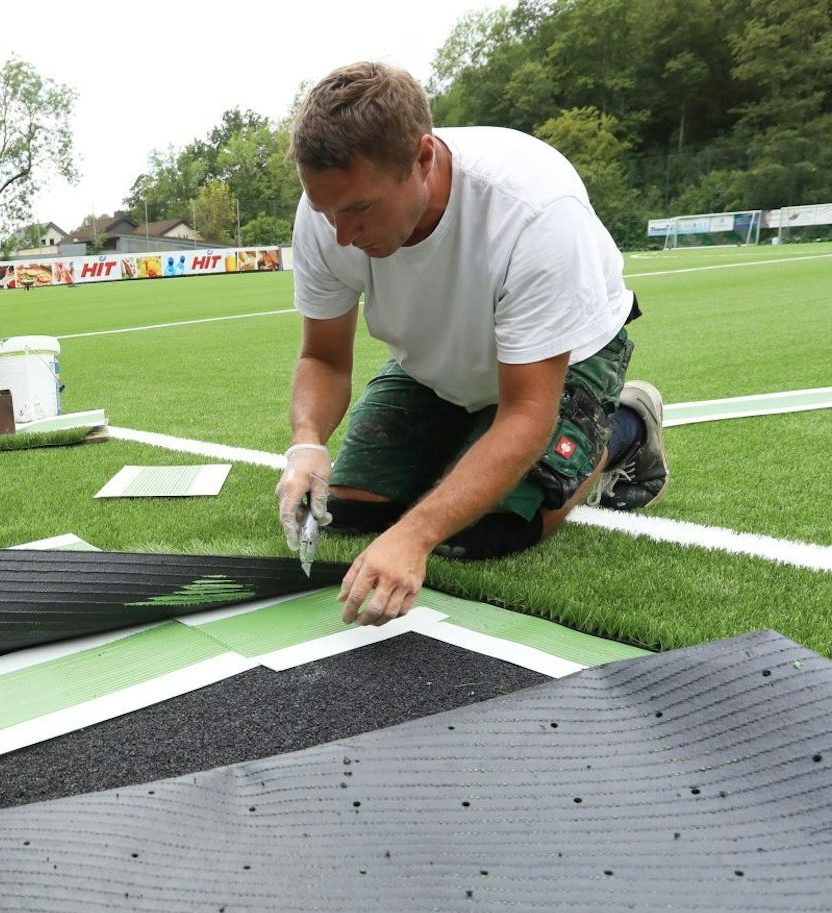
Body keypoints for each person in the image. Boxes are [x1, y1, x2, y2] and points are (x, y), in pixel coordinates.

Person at [274, 62, 669, 627]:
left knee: (486, 530)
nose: (342, 235)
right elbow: (323, 358)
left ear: (423, 159)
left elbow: (528, 413)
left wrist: (416, 534)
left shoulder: (534, 213)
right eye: (326, 211)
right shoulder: (330, 211)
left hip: (562, 364)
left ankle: (626, 427)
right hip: (433, 362)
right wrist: (306, 443)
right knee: (350, 510)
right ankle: (462, 438)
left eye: (359, 209)